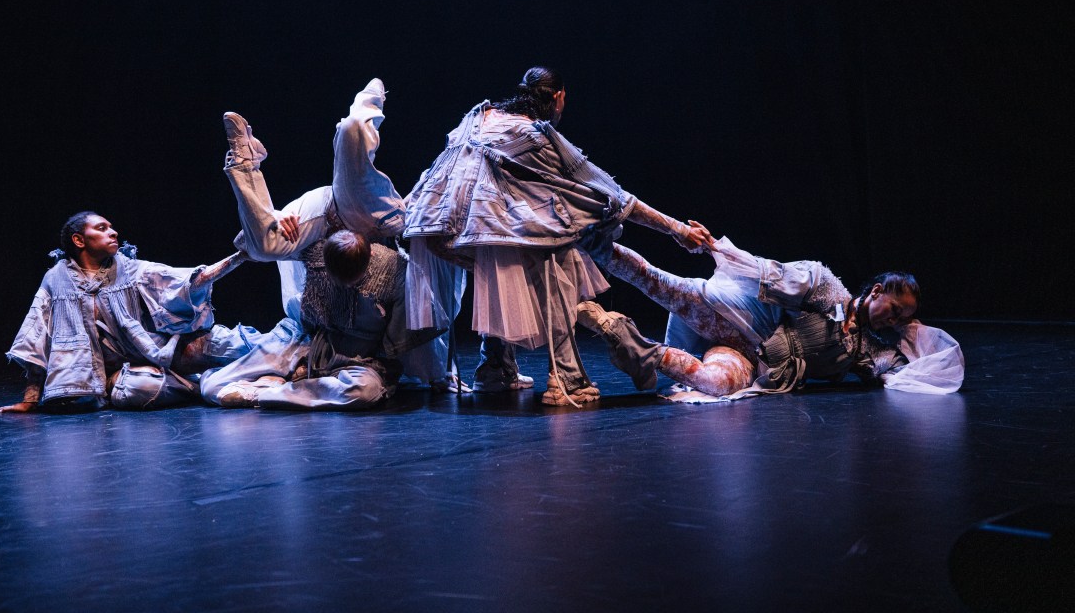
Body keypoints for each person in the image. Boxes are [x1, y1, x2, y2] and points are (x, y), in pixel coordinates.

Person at [401, 66, 713, 406]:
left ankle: (494, 369)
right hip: (476, 229)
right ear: (558, 97)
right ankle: (566, 381)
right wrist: (678, 229)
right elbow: (614, 195)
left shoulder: (478, 117)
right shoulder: (538, 135)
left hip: (436, 230)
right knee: (560, 263)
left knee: (504, 269)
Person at [198, 79, 454, 408]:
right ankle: (247, 163)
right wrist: (276, 217)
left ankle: (368, 99)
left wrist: (435, 375)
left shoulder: (391, 266)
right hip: (326, 211)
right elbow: (253, 244)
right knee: (265, 246)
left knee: (351, 134)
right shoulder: (312, 249)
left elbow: (417, 317)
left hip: (361, 215)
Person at [575, 237, 964, 400]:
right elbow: (770, 273)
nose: (892, 322)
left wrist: (911, 330)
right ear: (876, 292)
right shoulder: (829, 290)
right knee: (658, 283)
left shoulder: (868, 352)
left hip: (758, 362)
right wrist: (716, 248)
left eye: (902, 319)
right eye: (894, 311)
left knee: (715, 385)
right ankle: (591, 238)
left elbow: (910, 370)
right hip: (743, 322)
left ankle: (619, 333)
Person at [0, 212, 247, 414]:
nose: (113, 232)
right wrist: (31, 399)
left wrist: (241, 256)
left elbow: (189, 281)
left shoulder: (130, 268)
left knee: (230, 344)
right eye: (102, 228)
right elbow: (37, 336)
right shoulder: (56, 279)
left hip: (158, 350)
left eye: (111, 227)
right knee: (139, 389)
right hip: (112, 376)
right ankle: (200, 385)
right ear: (79, 240)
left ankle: (280, 363)